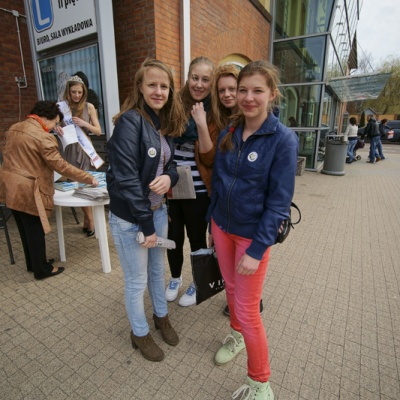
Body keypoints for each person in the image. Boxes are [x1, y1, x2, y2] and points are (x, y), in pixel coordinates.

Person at [207, 61, 299, 399]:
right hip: (222, 226)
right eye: (243, 90)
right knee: (230, 289)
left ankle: (260, 383)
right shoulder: (230, 131)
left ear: (272, 94)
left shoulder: (283, 140)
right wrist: (211, 221)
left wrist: (257, 250)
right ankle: (234, 336)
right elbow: (219, 182)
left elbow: (278, 204)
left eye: (257, 90)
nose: (248, 97)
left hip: (251, 237)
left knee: (248, 310)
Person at [106, 59, 186, 362]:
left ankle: (161, 317)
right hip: (132, 218)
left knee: (157, 270)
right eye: (152, 84)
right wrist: (146, 225)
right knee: (137, 280)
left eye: (164, 86)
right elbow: (125, 177)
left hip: (156, 211)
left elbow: (172, 164)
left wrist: (170, 177)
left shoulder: (163, 123)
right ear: (140, 87)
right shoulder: (130, 121)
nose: (158, 90)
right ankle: (138, 332)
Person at [0, 101, 98, 280]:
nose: (54, 128)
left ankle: (33, 263)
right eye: (55, 123)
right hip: (29, 189)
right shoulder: (43, 137)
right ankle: (42, 270)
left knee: (25, 228)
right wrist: (88, 177)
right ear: (46, 118)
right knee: (35, 229)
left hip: (10, 186)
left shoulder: (14, 128)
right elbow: (61, 166)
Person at [209, 63, 264, 317]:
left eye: (234, 88)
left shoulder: (261, 126)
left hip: (248, 222)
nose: (229, 95)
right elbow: (218, 172)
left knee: (247, 292)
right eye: (223, 90)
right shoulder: (224, 125)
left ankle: (250, 304)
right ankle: (238, 310)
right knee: (232, 279)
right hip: (224, 216)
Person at [165, 56, 215, 307]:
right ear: (188, 77)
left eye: (205, 79)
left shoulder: (214, 109)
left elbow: (209, 155)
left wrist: (201, 122)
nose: (199, 84)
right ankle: (174, 278)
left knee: (196, 238)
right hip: (173, 186)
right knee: (173, 237)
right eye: (195, 77)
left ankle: (197, 282)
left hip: (198, 189)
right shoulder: (174, 103)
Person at [59, 75, 102, 236]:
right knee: (76, 184)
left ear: (84, 92)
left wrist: (84, 123)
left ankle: (90, 220)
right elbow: (55, 125)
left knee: (86, 183)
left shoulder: (89, 107)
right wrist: (57, 129)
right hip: (70, 149)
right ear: (68, 92)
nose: (76, 95)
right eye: (73, 92)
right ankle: (89, 219)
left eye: (79, 92)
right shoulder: (61, 108)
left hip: (85, 149)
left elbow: (98, 131)